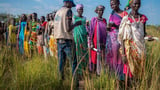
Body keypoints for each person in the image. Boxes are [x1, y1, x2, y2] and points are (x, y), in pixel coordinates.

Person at [118, 0, 148, 88]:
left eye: (138, 3)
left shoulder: (143, 18)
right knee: (128, 72)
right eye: (134, 3)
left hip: (140, 49)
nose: (137, 5)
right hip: (129, 49)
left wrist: (148, 36)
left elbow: (144, 33)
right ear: (130, 5)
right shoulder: (126, 19)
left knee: (139, 72)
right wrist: (123, 54)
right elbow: (123, 37)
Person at [54, 0, 81, 81]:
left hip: (59, 40)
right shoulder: (68, 11)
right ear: (68, 2)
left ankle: (60, 80)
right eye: (71, 5)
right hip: (67, 41)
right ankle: (75, 82)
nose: (71, 7)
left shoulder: (57, 12)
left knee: (61, 63)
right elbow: (68, 28)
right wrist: (76, 24)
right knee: (73, 62)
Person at [106, 0, 128, 81]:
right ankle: (113, 77)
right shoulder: (111, 13)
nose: (112, 6)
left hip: (120, 38)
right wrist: (108, 27)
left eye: (114, 4)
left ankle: (121, 77)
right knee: (112, 57)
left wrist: (115, 25)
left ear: (119, 3)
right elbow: (109, 26)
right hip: (111, 39)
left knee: (120, 56)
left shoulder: (124, 14)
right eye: (111, 4)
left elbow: (126, 27)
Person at [89, 5, 107, 75]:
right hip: (95, 43)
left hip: (102, 43)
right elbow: (91, 31)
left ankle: (100, 74)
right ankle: (93, 74)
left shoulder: (104, 20)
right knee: (94, 59)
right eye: (99, 10)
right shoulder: (94, 20)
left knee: (102, 59)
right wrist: (91, 43)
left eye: (101, 10)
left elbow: (105, 32)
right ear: (96, 11)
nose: (100, 12)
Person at [73, 4, 88, 80]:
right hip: (77, 38)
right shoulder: (74, 18)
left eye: (82, 9)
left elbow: (86, 27)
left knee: (84, 54)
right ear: (77, 10)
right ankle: (79, 73)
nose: (80, 10)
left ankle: (84, 71)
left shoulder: (85, 18)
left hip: (84, 39)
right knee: (78, 54)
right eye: (79, 9)